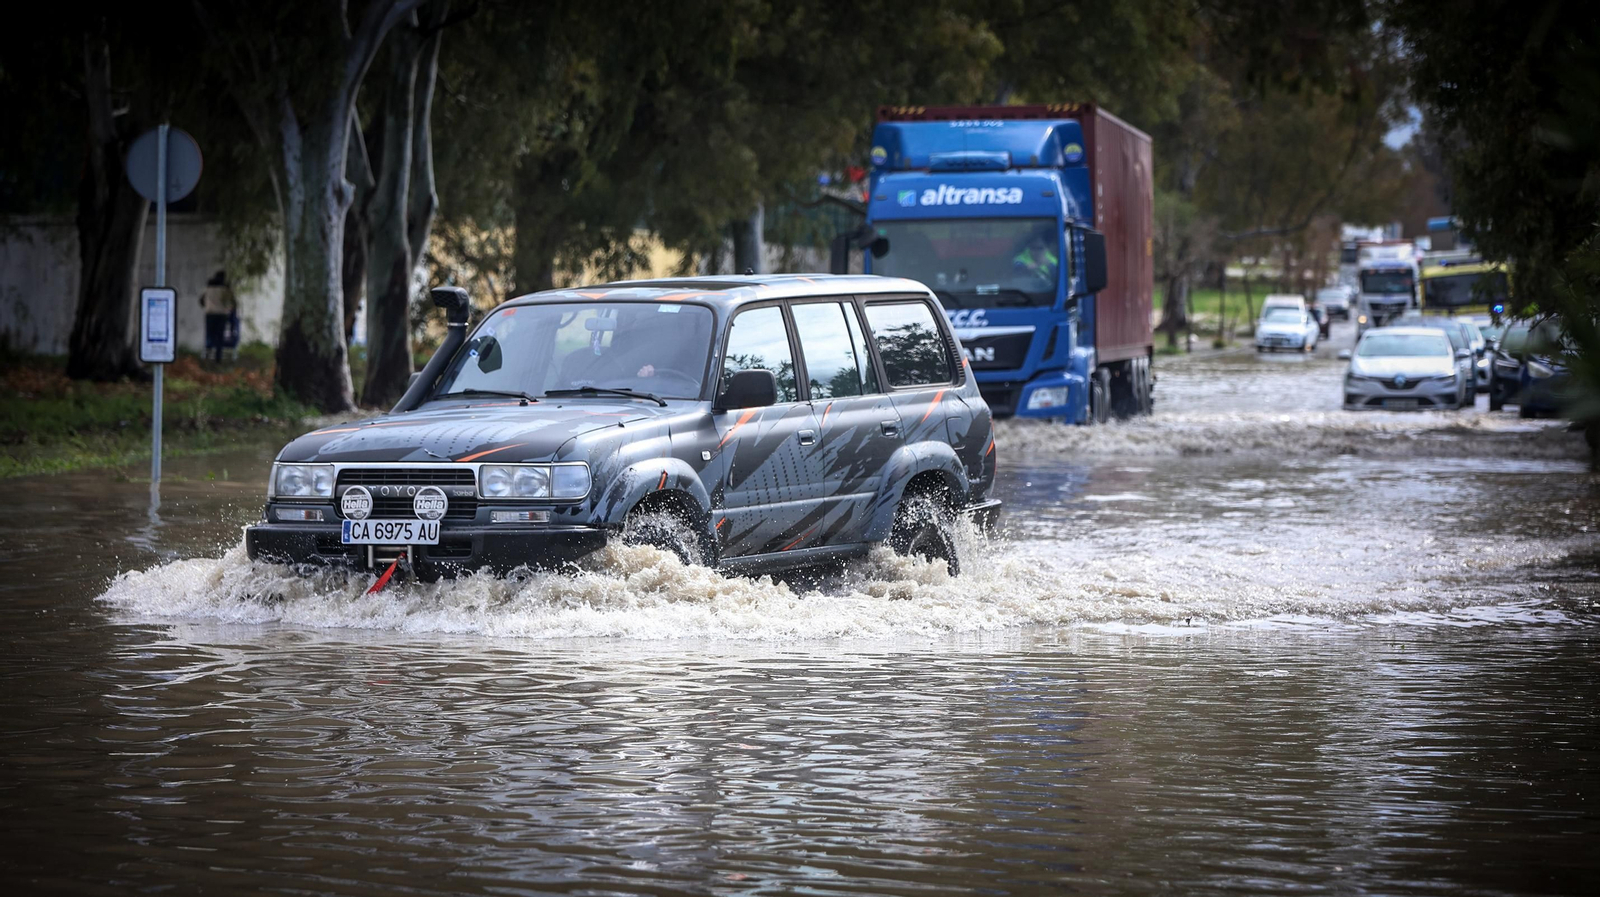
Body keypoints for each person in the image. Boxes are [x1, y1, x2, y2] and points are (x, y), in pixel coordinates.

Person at [199, 271, 238, 362]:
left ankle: (207, 355)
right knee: (219, 336)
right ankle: (218, 357)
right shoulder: (226, 289)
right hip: (221, 315)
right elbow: (233, 302)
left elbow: (201, 301)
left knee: (209, 335)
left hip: (210, 314)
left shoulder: (208, 288)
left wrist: (208, 306)